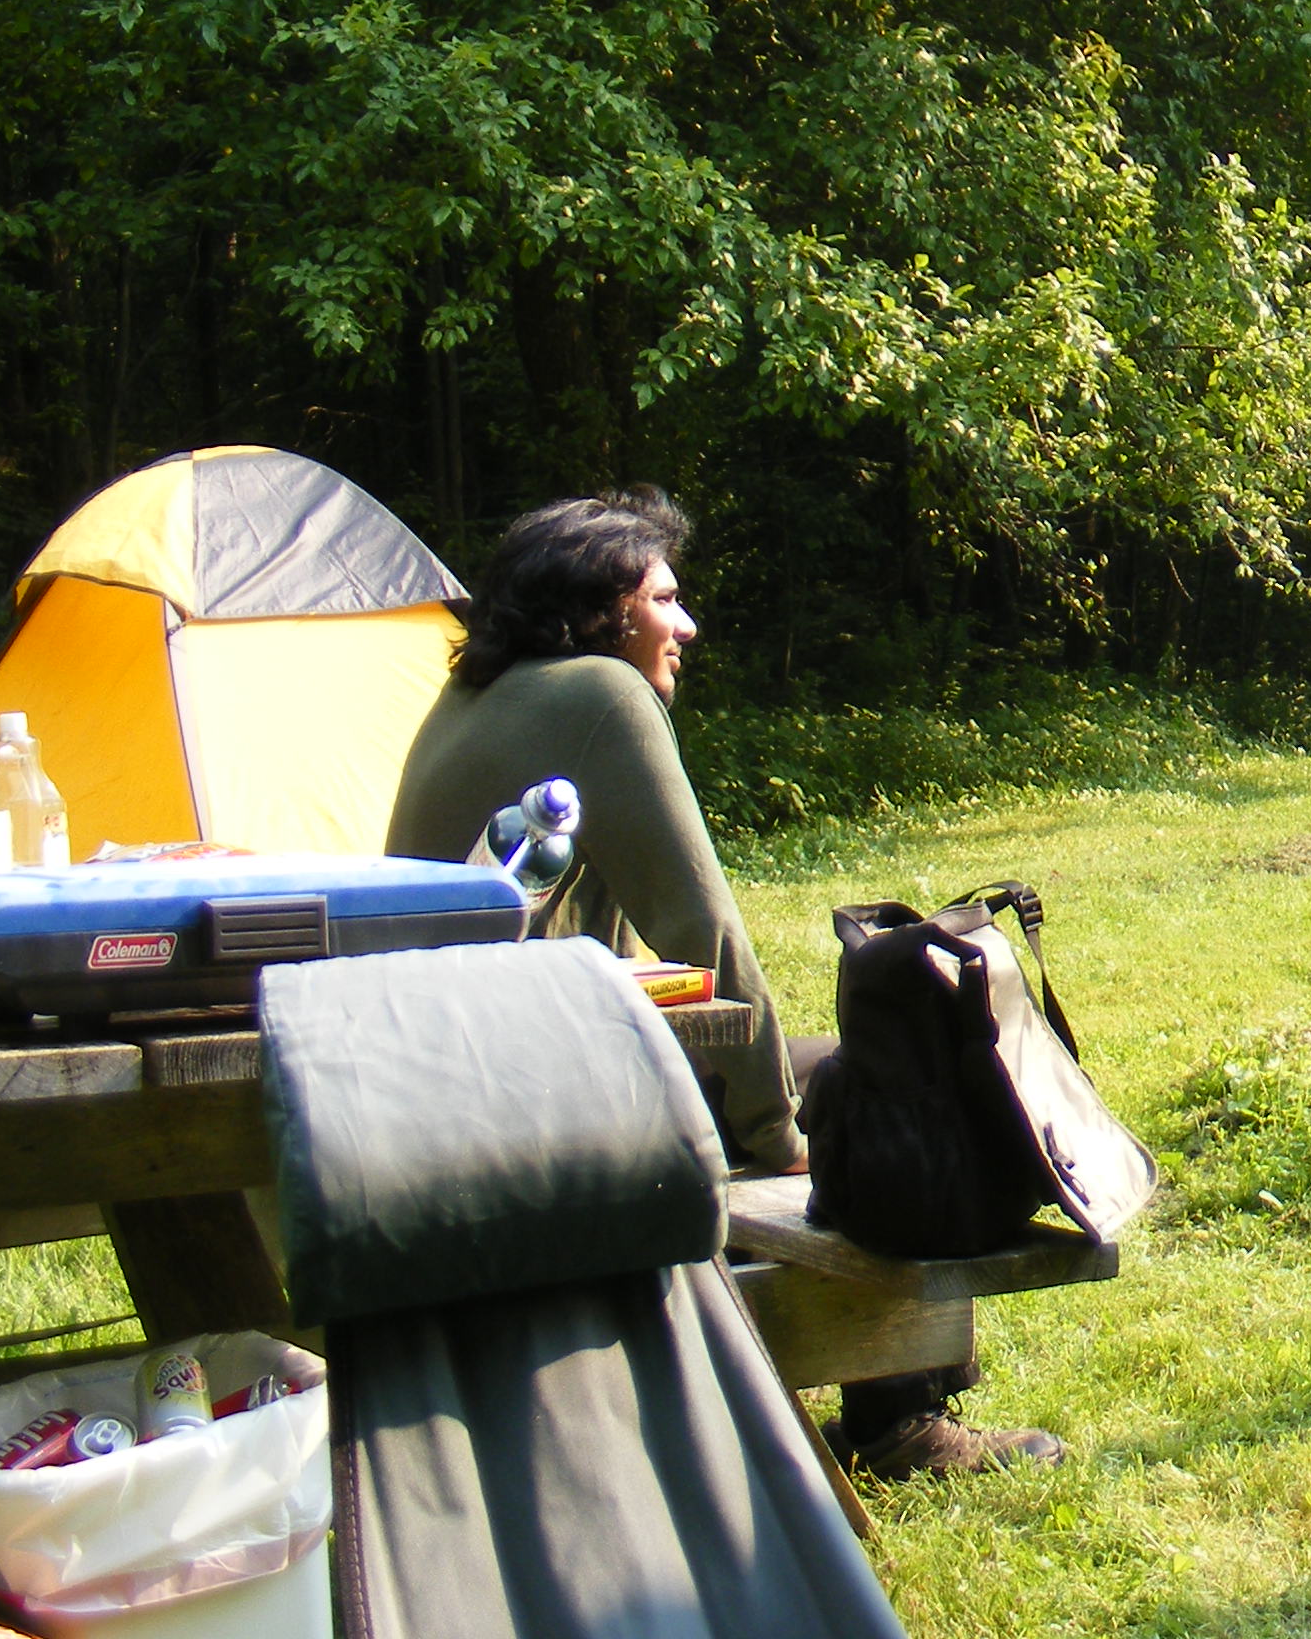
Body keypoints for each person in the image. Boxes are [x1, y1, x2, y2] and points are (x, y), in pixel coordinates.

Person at [386, 488, 1066, 1474]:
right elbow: (705, 934)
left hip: (450, 1085)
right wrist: (777, 1128)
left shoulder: (474, 695)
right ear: (600, 612)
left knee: (827, 1076)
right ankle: (899, 1422)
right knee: (890, 1085)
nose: (688, 626)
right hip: (528, 1106)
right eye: (664, 600)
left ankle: (875, 1397)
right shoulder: (595, 695)